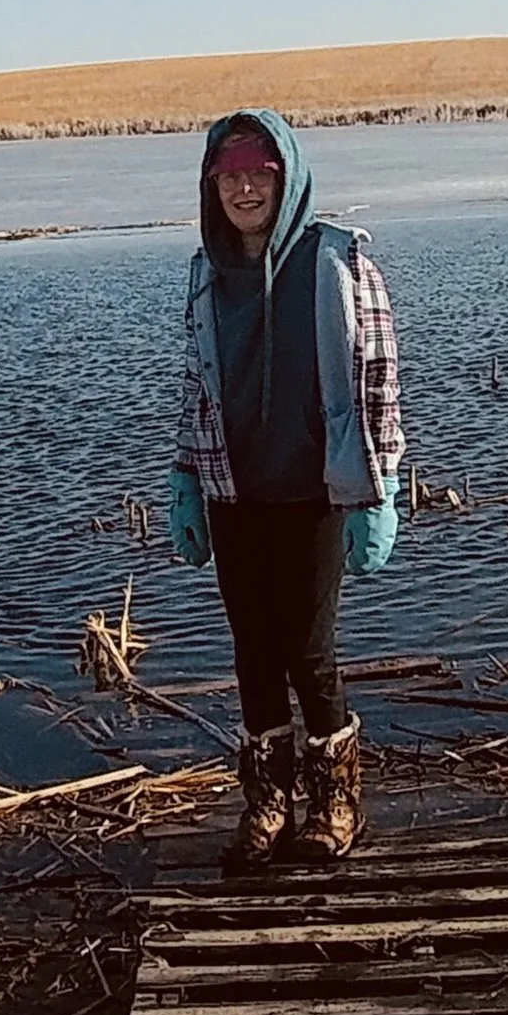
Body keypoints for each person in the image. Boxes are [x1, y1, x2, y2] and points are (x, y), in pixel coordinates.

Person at [165, 109, 404, 870]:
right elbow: (199, 385)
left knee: (308, 650)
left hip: (316, 491)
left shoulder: (337, 262)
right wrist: (185, 476)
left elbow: (378, 381)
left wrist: (380, 488)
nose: (244, 190)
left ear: (286, 178)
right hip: (234, 492)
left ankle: (337, 802)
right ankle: (268, 803)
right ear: (212, 186)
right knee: (253, 652)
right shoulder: (207, 272)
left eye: (258, 175)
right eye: (229, 176)